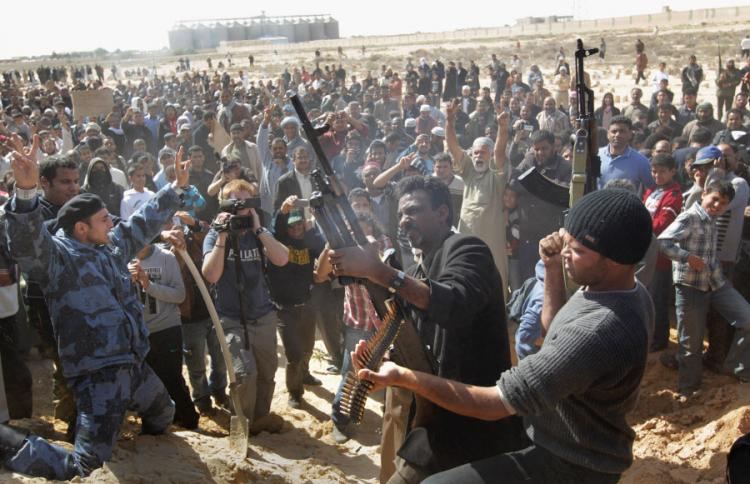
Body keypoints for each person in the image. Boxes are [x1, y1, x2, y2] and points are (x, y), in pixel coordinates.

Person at [350, 188, 655, 484]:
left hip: (571, 462)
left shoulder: (598, 329)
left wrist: (403, 377)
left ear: (615, 261)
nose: (565, 253)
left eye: (577, 251)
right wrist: (551, 269)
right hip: (562, 442)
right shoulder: (622, 289)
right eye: (567, 243)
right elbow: (554, 331)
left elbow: (494, 403)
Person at [0, 149, 190, 480]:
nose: (112, 223)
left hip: (132, 364)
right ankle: (9, 443)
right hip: (98, 376)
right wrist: (27, 191)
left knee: (163, 413)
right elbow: (27, 245)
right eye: (104, 219)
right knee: (85, 465)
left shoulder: (110, 245)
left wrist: (175, 188)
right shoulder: (58, 260)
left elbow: (141, 222)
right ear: (81, 228)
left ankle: (145, 455)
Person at [328, 175, 526, 483]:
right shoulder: (415, 271)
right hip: (434, 421)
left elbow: (455, 304)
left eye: (413, 210)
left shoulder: (467, 248)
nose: (404, 220)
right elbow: (413, 335)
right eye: (400, 214)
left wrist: (377, 270)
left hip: (476, 421)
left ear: (443, 212)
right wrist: (380, 360)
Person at [201, 179, 289, 433]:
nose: (240, 208)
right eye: (234, 202)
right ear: (224, 205)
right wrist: (222, 236)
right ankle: (242, 422)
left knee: (267, 371)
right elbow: (211, 275)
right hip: (231, 317)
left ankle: (260, 416)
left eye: (245, 202)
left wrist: (259, 229)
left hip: (262, 315)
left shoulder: (258, 232)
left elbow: (282, 259)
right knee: (244, 373)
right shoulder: (215, 234)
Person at [658, 180, 750, 395]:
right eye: (714, 199)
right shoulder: (689, 217)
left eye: (723, 203)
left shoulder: (712, 220)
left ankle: (735, 368)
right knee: (691, 344)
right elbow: (663, 242)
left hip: (716, 283)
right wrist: (686, 257)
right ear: (704, 194)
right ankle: (688, 390)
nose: (717, 205)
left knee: (747, 319)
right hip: (690, 287)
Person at [129, 241, 199, 430]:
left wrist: (148, 284)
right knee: (147, 382)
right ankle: (154, 424)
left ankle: (188, 420)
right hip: (139, 332)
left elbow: (179, 295)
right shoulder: (122, 258)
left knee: (172, 377)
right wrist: (127, 281)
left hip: (167, 328)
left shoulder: (165, 257)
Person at [445, 99, 511, 285]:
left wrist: (502, 127)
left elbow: (500, 151)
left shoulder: (496, 174)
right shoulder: (468, 171)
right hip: (467, 241)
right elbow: (453, 147)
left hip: (492, 244)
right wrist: (449, 121)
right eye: (475, 153)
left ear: (490, 155)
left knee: (494, 283)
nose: (478, 156)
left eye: (483, 153)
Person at [267, 207, 324, 408]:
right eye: (292, 225)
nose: (296, 229)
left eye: (299, 224)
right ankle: (294, 392)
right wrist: (282, 212)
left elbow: (322, 247)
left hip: (307, 304)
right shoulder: (279, 242)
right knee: (293, 354)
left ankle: (305, 374)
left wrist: (311, 229)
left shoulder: (308, 242)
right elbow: (274, 230)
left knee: (308, 348)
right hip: (284, 309)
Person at [642, 154, 682, 351]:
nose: (657, 175)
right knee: (646, 296)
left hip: (660, 256)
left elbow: (662, 223)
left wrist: (640, 225)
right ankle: (648, 335)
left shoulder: (674, 194)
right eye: (654, 171)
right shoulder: (651, 190)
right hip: (645, 251)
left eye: (662, 172)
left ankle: (659, 339)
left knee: (657, 298)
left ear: (673, 171)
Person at [598, 115, 654, 191]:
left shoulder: (640, 161)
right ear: (608, 134)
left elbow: (652, 187)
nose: (617, 135)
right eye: (614, 131)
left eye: (622, 131)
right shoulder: (596, 155)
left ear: (630, 134)